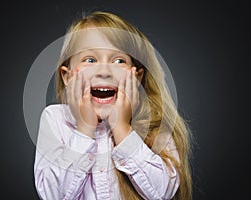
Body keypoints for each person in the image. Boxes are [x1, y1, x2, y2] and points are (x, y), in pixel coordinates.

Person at [34, 11, 192, 200]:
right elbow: (53, 195)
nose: (104, 71)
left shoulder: (155, 123)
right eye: (90, 60)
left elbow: (162, 193)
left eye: (118, 61)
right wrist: (85, 128)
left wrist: (122, 128)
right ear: (68, 77)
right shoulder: (55, 119)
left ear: (137, 77)